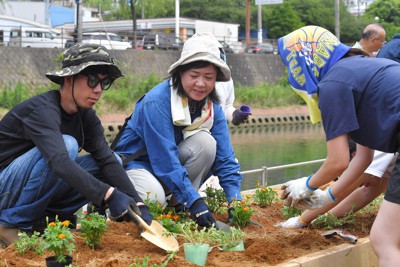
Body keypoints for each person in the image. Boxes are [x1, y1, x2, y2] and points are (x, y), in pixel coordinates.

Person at [0, 44, 153, 248]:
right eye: (91, 81)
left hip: (29, 188)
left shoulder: (86, 117)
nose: (98, 90)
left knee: (113, 160)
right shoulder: (43, 110)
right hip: (5, 189)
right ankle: (10, 224)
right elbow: (59, 162)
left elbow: (106, 159)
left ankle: (45, 220)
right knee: (67, 145)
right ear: (69, 79)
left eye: (103, 83)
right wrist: (109, 195)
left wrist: (137, 202)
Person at [277, 25, 400, 266]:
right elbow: (362, 159)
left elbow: (337, 161)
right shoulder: (363, 68)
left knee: (384, 239)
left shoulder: (332, 84)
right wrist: (327, 196)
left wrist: (306, 185)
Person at [113, 33, 243, 228]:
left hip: (166, 166)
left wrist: (236, 202)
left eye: (208, 77)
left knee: (206, 144)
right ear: (180, 73)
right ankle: (123, 207)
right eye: (194, 76)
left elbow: (225, 157)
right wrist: (196, 201)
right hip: (136, 165)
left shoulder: (211, 106)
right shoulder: (157, 102)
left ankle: (177, 206)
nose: (201, 83)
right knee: (154, 198)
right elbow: (165, 160)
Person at [276, 149, 396, 228]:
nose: (357, 184)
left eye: (345, 174)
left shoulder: (376, 150)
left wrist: (301, 220)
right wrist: (327, 217)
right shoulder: (384, 158)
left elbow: (342, 191)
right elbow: (368, 192)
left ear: (355, 158)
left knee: (382, 240)